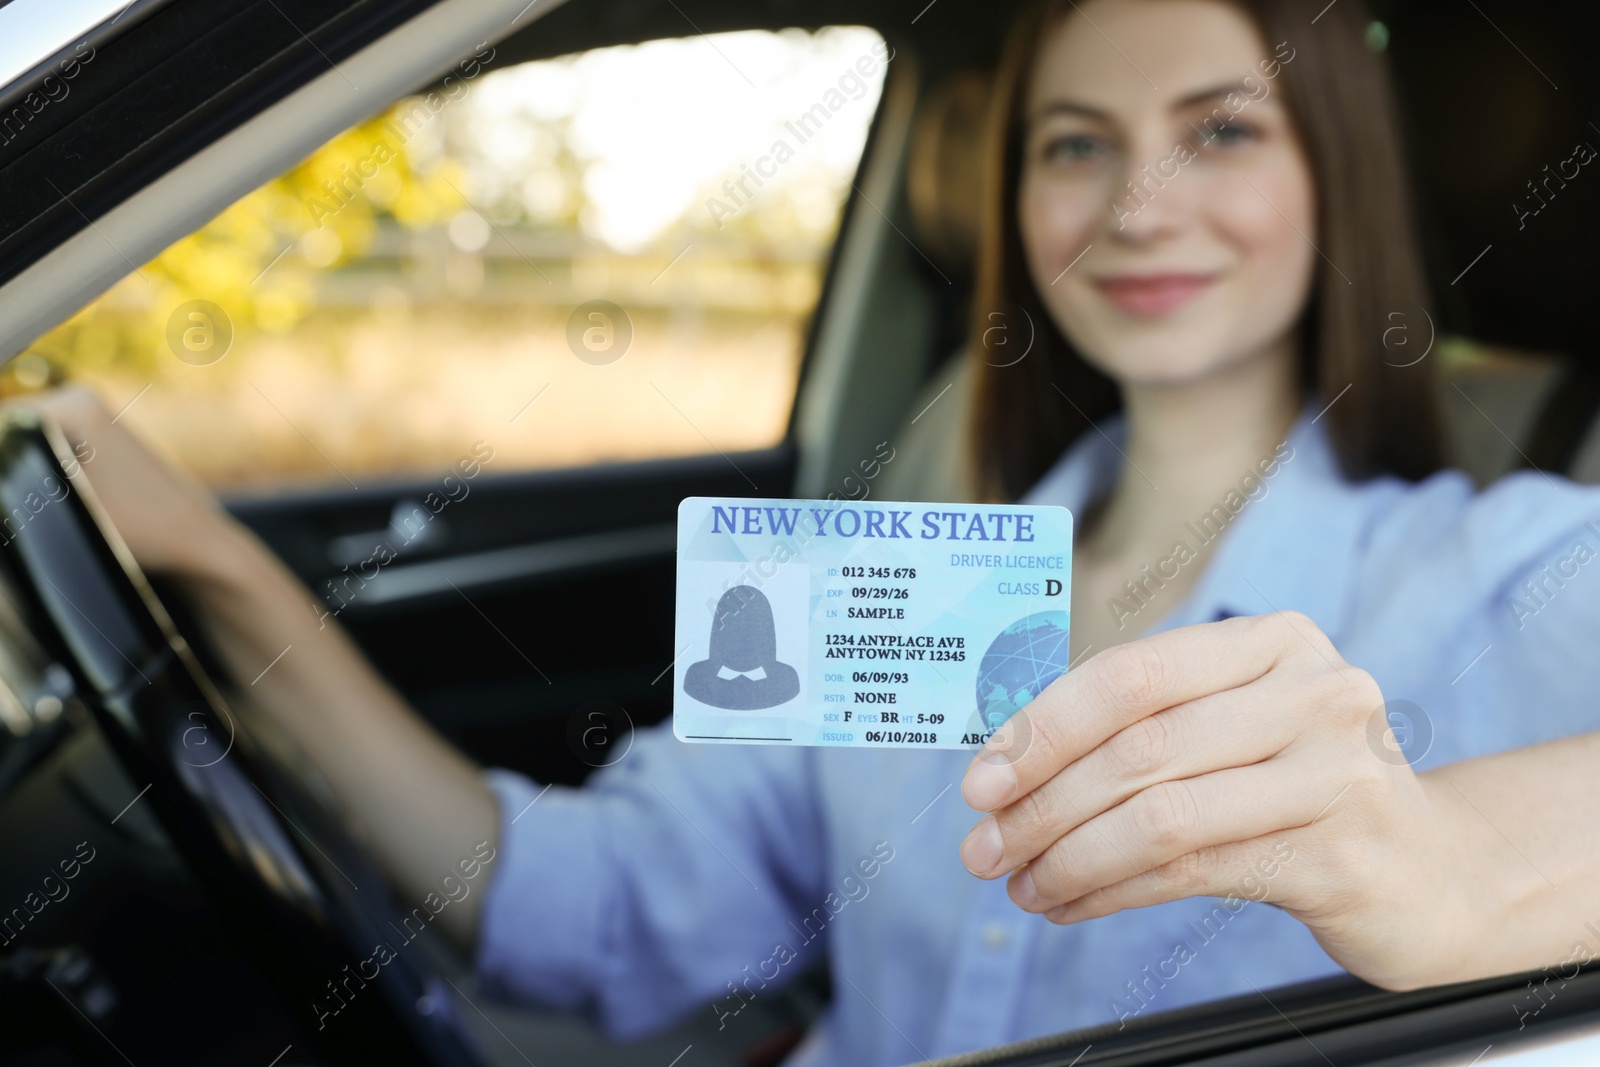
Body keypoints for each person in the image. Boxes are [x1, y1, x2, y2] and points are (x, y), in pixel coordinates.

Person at [26, 0, 1600, 1062]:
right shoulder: (891, 578)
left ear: (1339, 177)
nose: (1137, 204)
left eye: (1224, 131)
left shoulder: (1509, 571)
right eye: (1075, 143)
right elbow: (573, 908)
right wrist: (225, 574)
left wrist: (1447, 859)